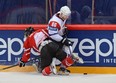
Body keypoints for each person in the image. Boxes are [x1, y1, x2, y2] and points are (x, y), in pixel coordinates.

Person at [47, 6, 84, 74]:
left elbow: (60, 27)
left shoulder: (61, 16)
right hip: (53, 40)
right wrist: (63, 40)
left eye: (68, 15)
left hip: (59, 38)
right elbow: (52, 35)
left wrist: (63, 30)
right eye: (66, 15)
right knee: (59, 56)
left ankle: (62, 68)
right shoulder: (54, 22)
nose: (67, 17)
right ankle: (46, 64)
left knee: (69, 49)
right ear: (61, 14)